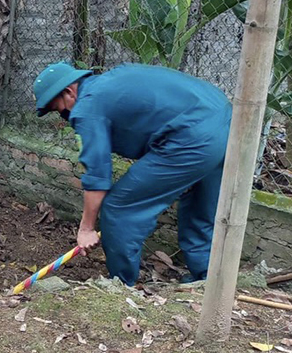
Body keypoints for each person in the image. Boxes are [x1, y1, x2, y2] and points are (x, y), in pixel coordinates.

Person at [32, 62, 232, 285]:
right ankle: (207, 277)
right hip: (225, 120)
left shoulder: (87, 109)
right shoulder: (112, 80)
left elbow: (97, 177)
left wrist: (86, 228)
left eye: (58, 110)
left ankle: (120, 285)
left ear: (69, 91)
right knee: (199, 202)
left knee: (120, 208)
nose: (65, 118)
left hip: (191, 138)